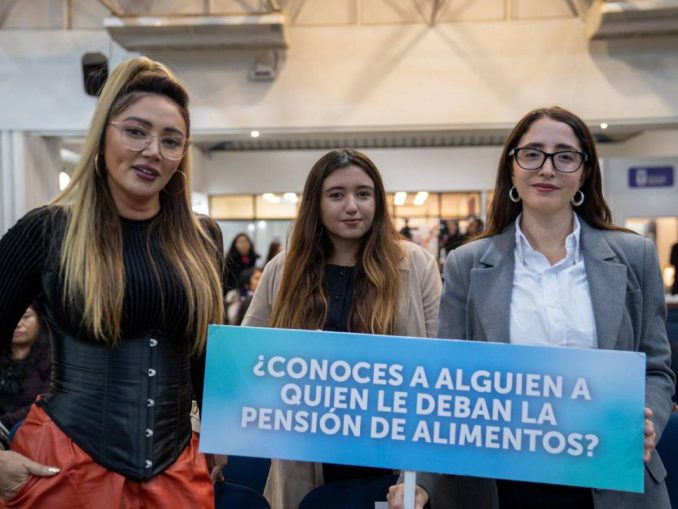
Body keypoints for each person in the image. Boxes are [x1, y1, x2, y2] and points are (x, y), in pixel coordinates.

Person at [388, 106, 675, 509]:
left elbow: (656, 369)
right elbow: (445, 383)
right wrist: (417, 479)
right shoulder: (467, 264)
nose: (547, 168)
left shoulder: (634, 256)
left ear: (584, 172)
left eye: (565, 156)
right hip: (501, 485)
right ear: (511, 168)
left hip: (611, 479)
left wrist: (646, 420)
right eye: (532, 154)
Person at [0, 57, 226, 507]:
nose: (153, 151)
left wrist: (222, 435)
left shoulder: (202, 239)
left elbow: (206, 355)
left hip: (178, 471)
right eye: (136, 132)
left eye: (171, 140)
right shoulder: (47, 231)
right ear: (102, 136)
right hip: (63, 470)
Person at [242, 148, 442, 509]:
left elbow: (441, 367)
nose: (352, 206)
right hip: (305, 455)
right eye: (336, 195)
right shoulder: (283, 270)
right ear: (315, 204)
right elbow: (247, 359)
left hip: (392, 459)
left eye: (363, 194)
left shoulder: (416, 265)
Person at [0, 303, 52, 449]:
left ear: (39, 320)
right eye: (11, 317)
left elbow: (47, 401)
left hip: (31, 435)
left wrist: (4, 423)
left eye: (25, 317)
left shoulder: (51, 359)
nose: (17, 324)